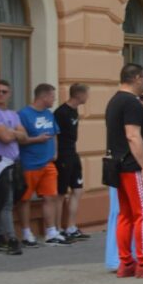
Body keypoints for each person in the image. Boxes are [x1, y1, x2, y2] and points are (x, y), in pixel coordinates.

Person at [105, 63, 143, 278]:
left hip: (119, 165)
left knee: (126, 215)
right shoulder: (131, 103)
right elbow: (133, 135)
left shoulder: (114, 101)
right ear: (138, 78)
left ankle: (126, 262)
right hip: (134, 167)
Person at [17, 83, 65, 246]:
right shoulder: (24, 114)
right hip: (29, 163)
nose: (54, 99)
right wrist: (36, 139)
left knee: (50, 197)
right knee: (25, 199)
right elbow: (21, 139)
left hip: (48, 163)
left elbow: (55, 134)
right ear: (43, 97)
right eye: (52, 96)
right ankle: (26, 232)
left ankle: (51, 231)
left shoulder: (49, 114)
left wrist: (55, 152)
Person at [0, 80, 27, 255]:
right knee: (5, 203)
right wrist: (15, 133)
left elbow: (24, 136)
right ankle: (12, 240)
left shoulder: (13, 114)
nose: (1, 94)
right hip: (0, 163)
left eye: (4, 91)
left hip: (13, 163)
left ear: (9, 94)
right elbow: (5, 138)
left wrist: (13, 132)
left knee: (7, 202)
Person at [54, 83, 90, 241]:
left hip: (73, 153)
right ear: (79, 95)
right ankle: (56, 229)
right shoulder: (61, 112)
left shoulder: (75, 110)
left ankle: (71, 227)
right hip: (63, 156)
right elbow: (55, 135)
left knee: (77, 189)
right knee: (61, 193)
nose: (88, 97)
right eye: (87, 94)